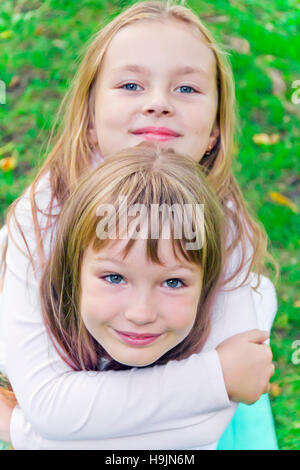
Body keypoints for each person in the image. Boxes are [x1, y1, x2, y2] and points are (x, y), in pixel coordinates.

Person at [0, 0, 277, 449]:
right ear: (89, 118)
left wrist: (23, 428)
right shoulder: (41, 218)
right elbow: (51, 407)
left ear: (214, 132)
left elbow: (201, 431)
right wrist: (214, 377)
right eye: (131, 84)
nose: (158, 104)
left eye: (187, 89)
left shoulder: (224, 227)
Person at [0, 144, 274, 449]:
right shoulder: (16, 329)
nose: (141, 313)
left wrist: (21, 430)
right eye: (115, 278)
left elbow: (197, 434)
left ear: (209, 283)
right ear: (71, 271)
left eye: (172, 282)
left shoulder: (252, 306)